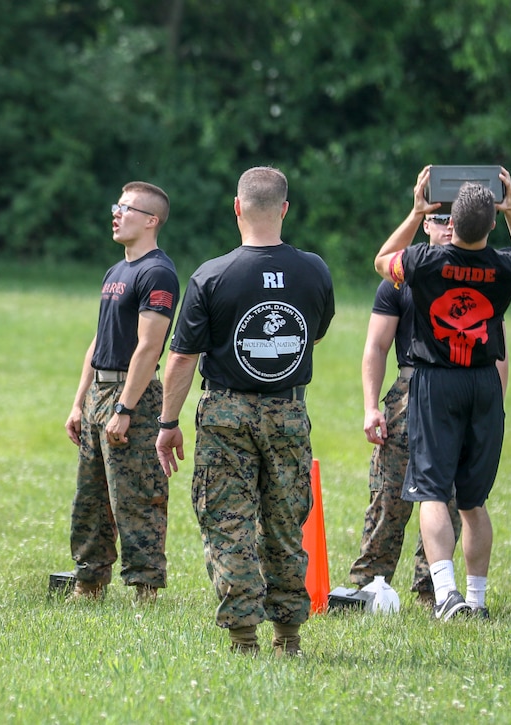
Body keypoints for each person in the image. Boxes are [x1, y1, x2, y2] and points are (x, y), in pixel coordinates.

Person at [155, 167, 334, 656]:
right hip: (289, 413)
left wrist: (168, 424)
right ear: (285, 209)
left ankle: (243, 638)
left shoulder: (212, 275)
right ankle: (289, 637)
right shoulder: (315, 270)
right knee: (284, 526)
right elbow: (313, 333)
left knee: (228, 524)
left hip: (225, 415)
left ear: (237, 208)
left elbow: (183, 358)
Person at [374, 166, 511, 620]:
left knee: (431, 490)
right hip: (485, 382)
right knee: (472, 501)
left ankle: (446, 595)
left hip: (436, 380)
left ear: (448, 223)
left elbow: (382, 259)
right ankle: (477, 598)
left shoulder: (424, 263)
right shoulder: (506, 266)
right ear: (490, 224)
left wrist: (415, 212)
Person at [349, 211, 509, 608]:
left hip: (463, 385)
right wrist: (371, 407)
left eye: (456, 217)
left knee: (449, 495)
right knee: (389, 493)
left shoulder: (481, 273)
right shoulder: (405, 276)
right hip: (410, 388)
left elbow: (497, 348)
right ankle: (371, 581)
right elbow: (376, 346)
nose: (449, 224)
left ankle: (433, 588)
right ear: (425, 223)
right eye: (439, 217)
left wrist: (495, 407)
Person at [64, 182, 180, 604]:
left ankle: (144, 590)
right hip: (100, 393)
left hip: (135, 397)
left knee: (136, 497)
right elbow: (99, 341)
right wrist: (79, 402)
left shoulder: (158, 272)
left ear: (151, 220)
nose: (116, 214)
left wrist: (125, 407)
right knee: (90, 497)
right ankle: (88, 583)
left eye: (126, 208)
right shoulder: (117, 271)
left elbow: (150, 347)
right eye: (117, 206)